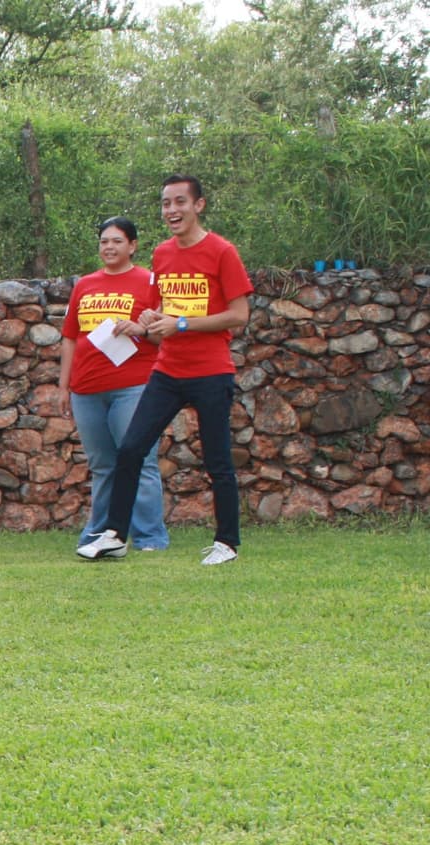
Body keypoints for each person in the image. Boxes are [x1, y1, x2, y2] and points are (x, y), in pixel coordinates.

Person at [79, 175, 252, 566]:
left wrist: (183, 324)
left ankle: (227, 543)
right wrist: (146, 324)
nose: (171, 211)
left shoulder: (222, 251)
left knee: (218, 460)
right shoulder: (162, 254)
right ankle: (116, 536)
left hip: (211, 371)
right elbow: (163, 314)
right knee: (131, 449)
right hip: (167, 370)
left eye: (179, 202)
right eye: (165, 204)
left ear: (199, 206)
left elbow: (239, 315)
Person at [59, 217, 168, 553]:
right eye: (104, 241)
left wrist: (140, 327)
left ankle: (150, 538)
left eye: (117, 241)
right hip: (87, 389)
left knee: (141, 461)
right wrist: (64, 386)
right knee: (103, 465)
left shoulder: (151, 282)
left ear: (133, 245)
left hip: (133, 385)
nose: (109, 247)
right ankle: (100, 535)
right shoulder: (85, 285)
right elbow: (70, 338)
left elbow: (163, 331)